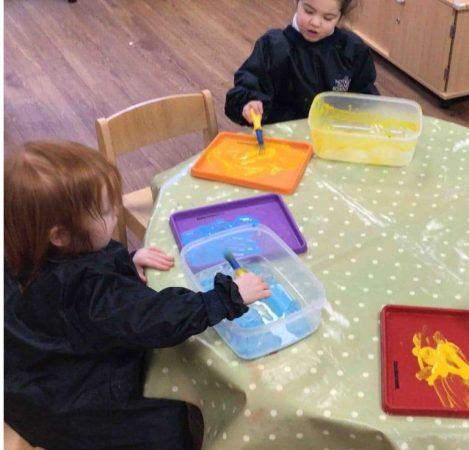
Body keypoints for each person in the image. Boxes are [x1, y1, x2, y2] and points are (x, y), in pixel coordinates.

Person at [4, 140, 272, 449]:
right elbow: (156, 319)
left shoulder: (24, 253)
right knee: (164, 411)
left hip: (35, 390)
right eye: (105, 212)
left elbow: (79, 290)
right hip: (82, 409)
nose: (116, 213)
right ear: (60, 235)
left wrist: (124, 263)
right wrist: (225, 298)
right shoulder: (88, 292)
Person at [224, 0, 379, 126]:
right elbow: (240, 94)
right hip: (282, 141)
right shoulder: (273, 47)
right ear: (296, 2)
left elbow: (367, 99)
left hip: (332, 141)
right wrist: (248, 104)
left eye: (328, 18)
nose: (315, 22)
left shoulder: (352, 49)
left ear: (340, 16)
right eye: (309, 11)